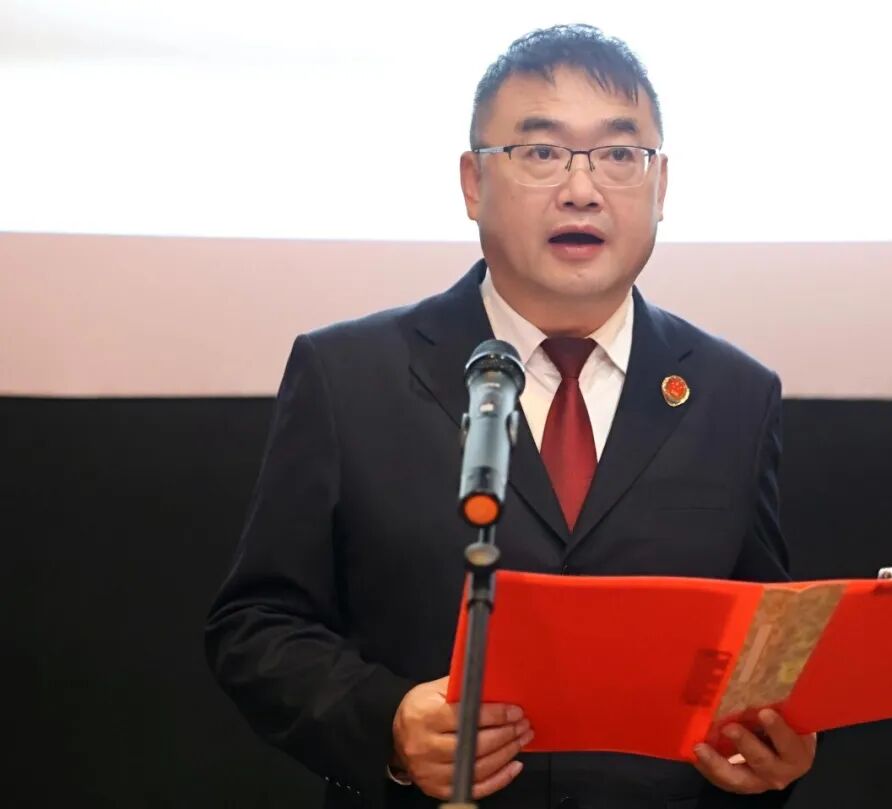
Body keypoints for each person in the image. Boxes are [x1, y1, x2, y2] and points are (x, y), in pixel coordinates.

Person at [206, 24, 815, 809]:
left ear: (661, 185)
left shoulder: (735, 394)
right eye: (542, 152)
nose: (582, 189)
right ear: (473, 182)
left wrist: (772, 755)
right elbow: (256, 624)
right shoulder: (350, 375)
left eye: (619, 154)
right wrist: (386, 722)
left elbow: (762, 649)